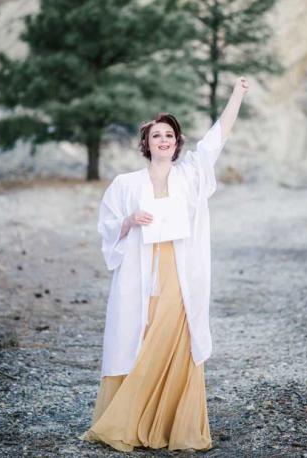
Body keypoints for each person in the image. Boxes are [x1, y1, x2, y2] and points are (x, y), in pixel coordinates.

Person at [79, 76, 249, 451]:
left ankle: (174, 424)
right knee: (139, 337)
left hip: (180, 271)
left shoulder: (191, 173)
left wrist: (237, 93)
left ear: (177, 142)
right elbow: (107, 226)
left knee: (177, 337)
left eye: (169, 135)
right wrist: (129, 220)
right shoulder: (126, 183)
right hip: (139, 273)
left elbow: (219, 134)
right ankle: (130, 419)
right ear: (147, 143)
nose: (164, 140)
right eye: (157, 135)